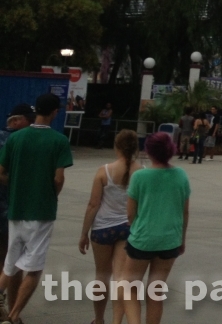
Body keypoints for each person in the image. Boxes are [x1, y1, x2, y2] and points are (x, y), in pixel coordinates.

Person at [0, 93, 74, 324]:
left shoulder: (16, 139)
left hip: (15, 211)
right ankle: (12, 317)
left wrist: (16, 186)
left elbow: (1, 173)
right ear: (55, 112)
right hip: (41, 212)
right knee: (33, 268)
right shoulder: (59, 141)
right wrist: (50, 192)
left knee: (10, 263)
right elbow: (59, 178)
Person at [123, 131, 189, 324]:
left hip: (142, 240)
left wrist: (135, 227)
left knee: (130, 289)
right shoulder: (181, 175)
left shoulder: (139, 177)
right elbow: (185, 212)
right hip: (170, 241)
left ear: (148, 151)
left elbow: (130, 214)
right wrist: (182, 240)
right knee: (155, 292)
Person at [79, 129, 143, 324]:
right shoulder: (141, 172)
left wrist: (84, 233)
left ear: (116, 147)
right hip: (128, 227)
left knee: (102, 275)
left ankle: (98, 319)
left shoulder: (103, 171)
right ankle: (117, 320)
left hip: (102, 229)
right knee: (121, 278)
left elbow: (93, 204)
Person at [0, 103, 33, 313]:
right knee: (14, 263)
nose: (32, 125)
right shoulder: (17, 141)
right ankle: (12, 312)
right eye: (29, 120)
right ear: (14, 121)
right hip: (11, 211)